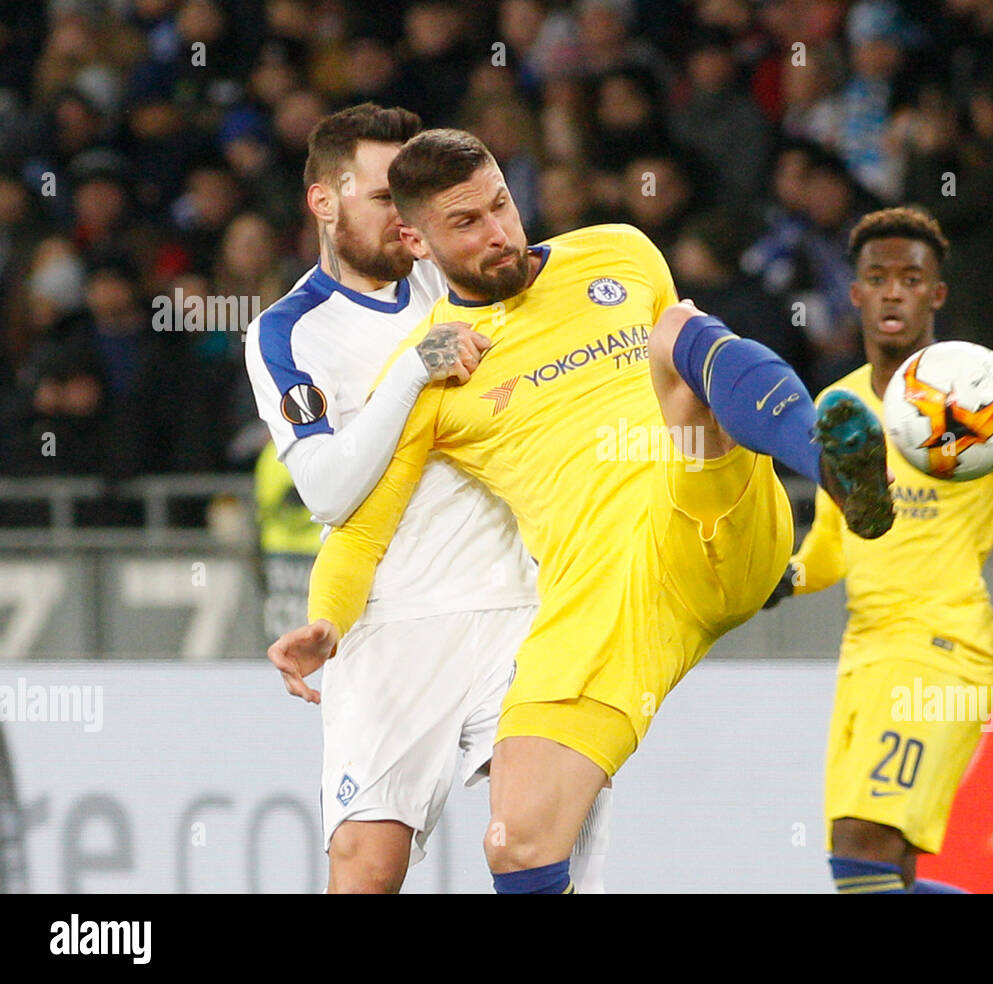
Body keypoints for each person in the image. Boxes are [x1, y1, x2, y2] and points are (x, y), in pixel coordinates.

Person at [271, 127, 896, 893]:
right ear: (415, 239)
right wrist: (327, 622)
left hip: (700, 508)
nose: (499, 233)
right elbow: (360, 528)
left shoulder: (618, 252)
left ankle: (835, 466)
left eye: (501, 204)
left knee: (678, 332)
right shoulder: (433, 365)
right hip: (604, 600)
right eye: (466, 223)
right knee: (517, 842)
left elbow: (712, 371)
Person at [245, 104, 610, 893]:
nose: (406, 220)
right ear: (324, 201)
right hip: (389, 626)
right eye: (384, 198)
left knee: (536, 839)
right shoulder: (290, 333)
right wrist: (415, 368)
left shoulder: (467, 278)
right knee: (364, 871)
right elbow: (330, 490)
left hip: (519, 605)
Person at [764, 207, 993, 893]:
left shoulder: (980, 401)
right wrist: (781, 578)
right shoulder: (838, 405)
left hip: (941, 652)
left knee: (858, 852)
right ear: (855, 293)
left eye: (911, 279)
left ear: (936, 295)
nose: (893, 292)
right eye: (877, 278)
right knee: (880, 878)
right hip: (865, 657)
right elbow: (831, 547)